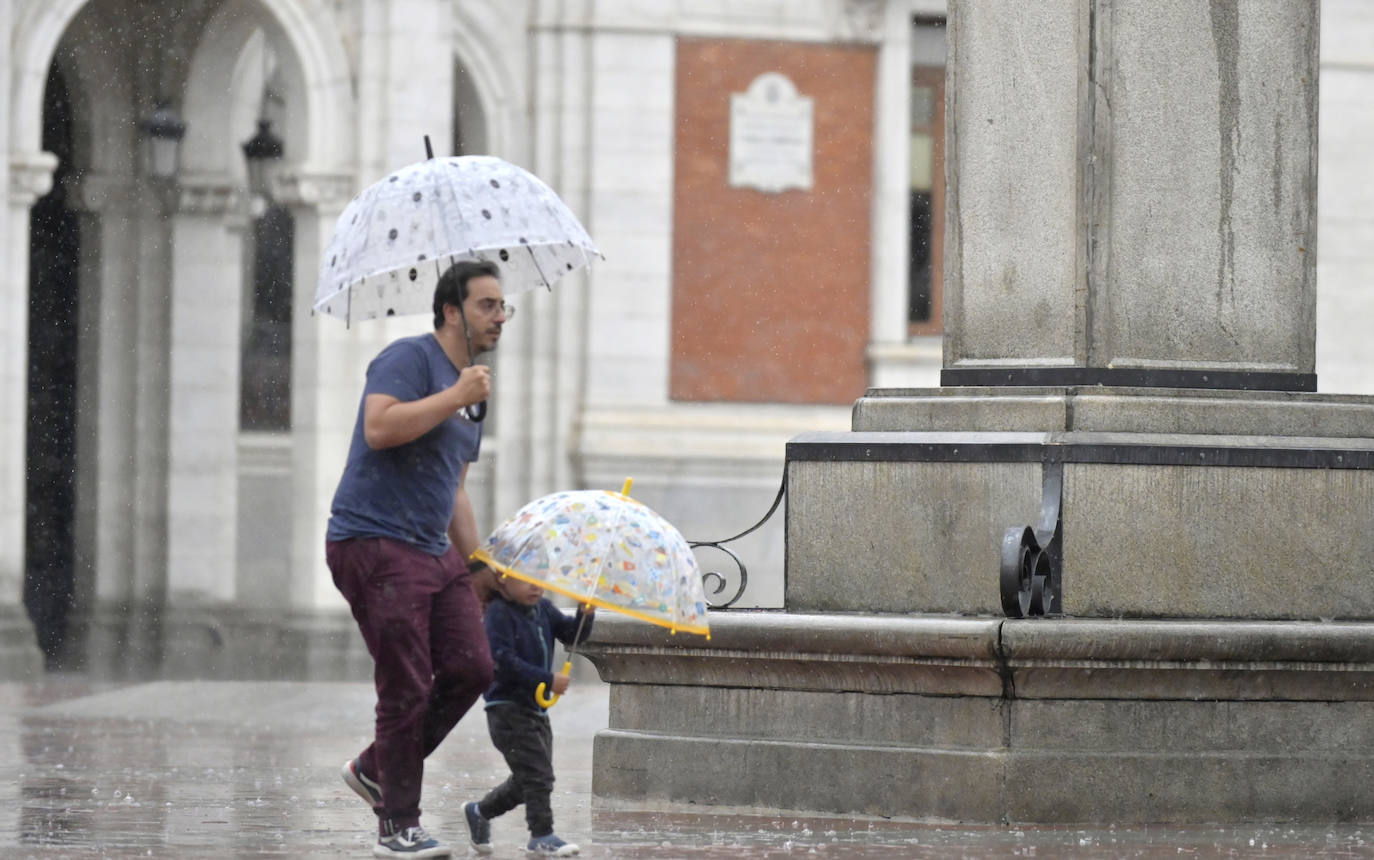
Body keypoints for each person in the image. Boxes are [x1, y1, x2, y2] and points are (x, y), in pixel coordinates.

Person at [327, 259, 510, 858]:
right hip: (374, 541)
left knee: (471, 668)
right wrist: (452, 394)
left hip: (433, 549)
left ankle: (377, 768)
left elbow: (453, 487)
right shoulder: (407, 359)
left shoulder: (473, 391)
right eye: (487, 305)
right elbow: (379, 427)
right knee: (405, 683)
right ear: (451, 311)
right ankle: (397, 824)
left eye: (504, 306)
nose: (500, 316)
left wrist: (480, 563)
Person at [463, 561, 595, 857]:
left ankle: (480, 811)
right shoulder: (498, 614)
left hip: (536, 709)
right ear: (503, 581)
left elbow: (572, 634)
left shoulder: (544, 609)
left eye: (540, 579)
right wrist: (548, 679)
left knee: (530, 779)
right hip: (507, 710)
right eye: (526, 580)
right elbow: (502, 661)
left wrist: (585, 615)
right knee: (538, 776)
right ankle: (541, 835)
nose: (535, 586)